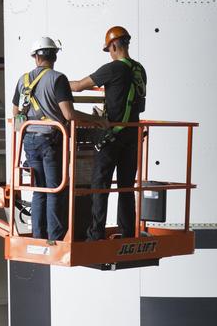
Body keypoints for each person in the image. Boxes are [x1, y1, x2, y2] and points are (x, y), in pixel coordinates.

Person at [12, 37, 101, 243]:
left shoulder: (23, 80)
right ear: (54, 56)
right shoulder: (58, 79)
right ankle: (54, 238)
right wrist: (96, 120)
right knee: (55, 189)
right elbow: (69, 114)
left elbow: (16, 113)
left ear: (36, 57)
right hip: (50, 141)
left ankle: (38, 236)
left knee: (39, 190)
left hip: (29, 141)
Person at [69, 26, 147, 241]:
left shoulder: (113, 69)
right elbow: (140, 106)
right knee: (126, 186)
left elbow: (78, 86)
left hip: (113, 136)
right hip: (133, 134)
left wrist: (55, 85)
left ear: (113, 46)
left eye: (109, 49)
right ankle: (128, 232)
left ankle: (96, 233)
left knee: (100, 184)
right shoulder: (140, 70)